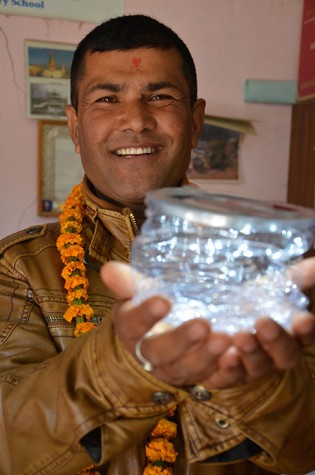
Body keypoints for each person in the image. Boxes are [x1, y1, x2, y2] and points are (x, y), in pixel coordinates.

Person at [0, 14, 315, 475]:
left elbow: (305, 451)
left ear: (195, 121)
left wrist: (254, 388)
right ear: (74, 126)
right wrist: (123, 364)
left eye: (160, 97)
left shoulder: (273, 262)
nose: (136, 120)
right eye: (108, 98)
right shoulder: (17, 267)